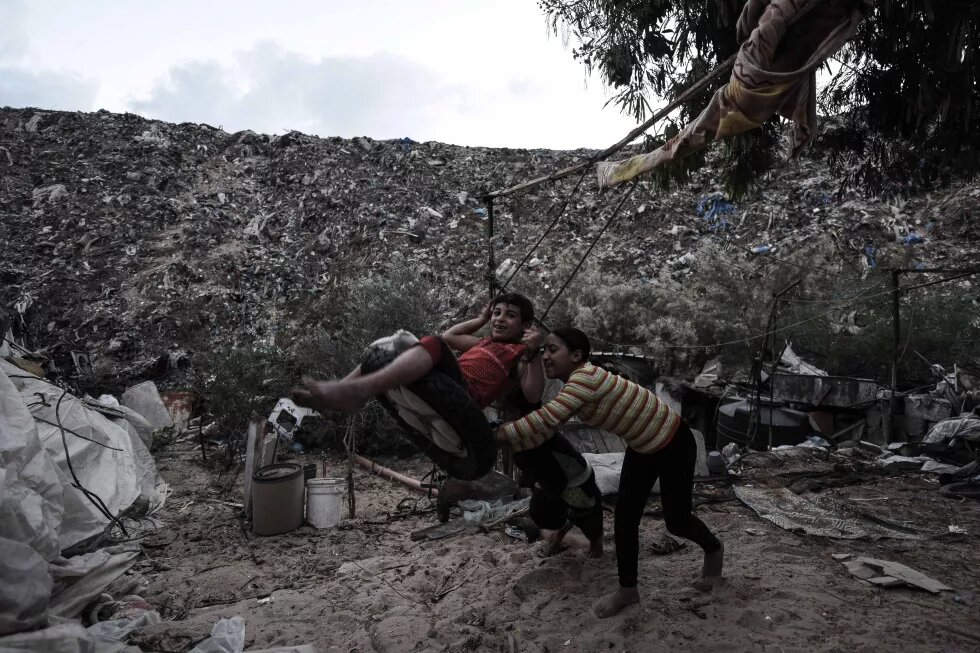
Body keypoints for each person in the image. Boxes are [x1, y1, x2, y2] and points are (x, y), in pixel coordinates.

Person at [494, 327, 723, 618]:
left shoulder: (585, 379)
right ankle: (628, 590)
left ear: (576, 355)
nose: (547, 357)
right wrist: (509, 438)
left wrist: (497, 436)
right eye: (544, 351)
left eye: (553, 350)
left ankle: (714, 551)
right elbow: (543, 428)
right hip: (642, 447)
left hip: (673, 441)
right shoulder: (577, 383)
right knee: (625, 520)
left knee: (677, 520)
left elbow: (547, 418)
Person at [291, 292, 544, 415]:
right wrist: (480, 319)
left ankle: (358, 391)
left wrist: (533, 352)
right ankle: (344, 391)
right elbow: (451, 336)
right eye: (496, 313)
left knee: (432, 343)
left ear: (525, 326)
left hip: (464, 394)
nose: (499, 320)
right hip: (447, 380)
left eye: (510, 316)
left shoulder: (519, 354)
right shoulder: (483, 343)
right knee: (397, 342)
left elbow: (533, 395)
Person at [512, 433, 604, 558]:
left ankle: (595, 542)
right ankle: (559, 531)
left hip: (573, 481)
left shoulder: (544, 434)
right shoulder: (516, 433)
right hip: (544, 477)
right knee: (540, 513)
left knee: (587, 516)